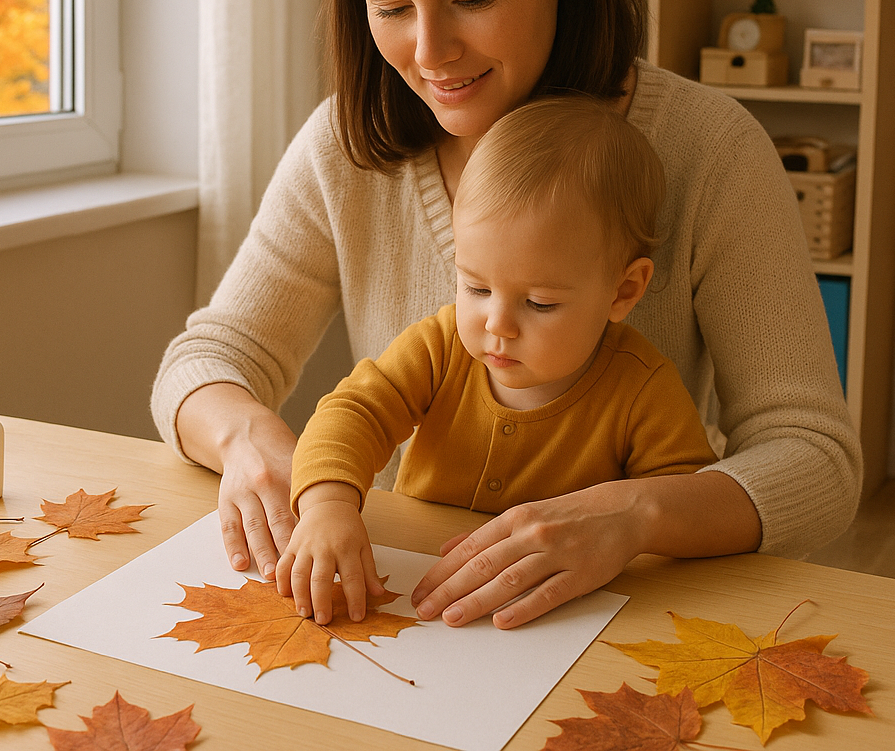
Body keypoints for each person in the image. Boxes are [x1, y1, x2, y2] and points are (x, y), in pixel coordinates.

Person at [151, 0, 861, 630]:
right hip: (414, 607)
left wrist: (635, 515)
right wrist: (248, 441)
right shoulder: (349, 143)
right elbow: (207, 358)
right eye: (390, 7)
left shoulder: (709, 149)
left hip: (619, 614)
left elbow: (816, 462)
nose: (430, 51)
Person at [276, 96, 719, 625]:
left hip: (563, 621)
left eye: (540, 303)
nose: (497, 324)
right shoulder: (439, 347)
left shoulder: (644, 390)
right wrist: (328, 505)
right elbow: (353, 413)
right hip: (416, 599)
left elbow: (688, 507)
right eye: (476, 286)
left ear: (623, 291)